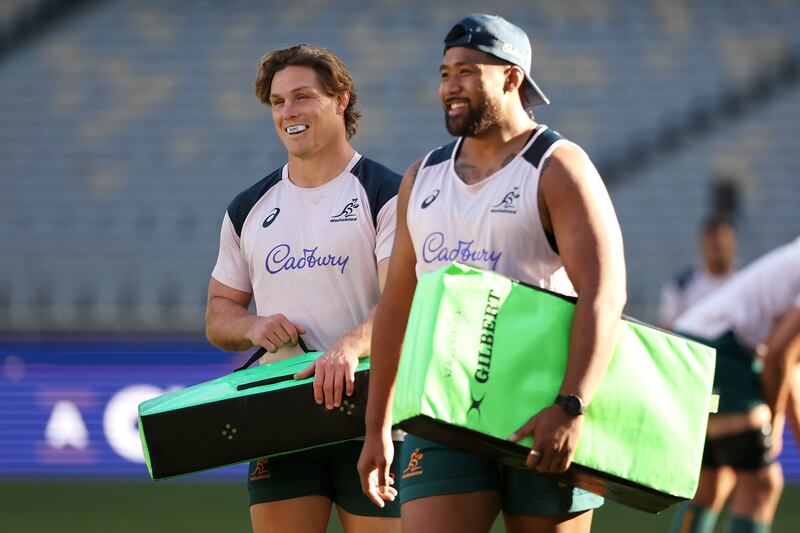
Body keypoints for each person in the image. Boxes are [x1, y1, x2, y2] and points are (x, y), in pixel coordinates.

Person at [357, 14, 627, 533]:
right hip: (443, 414)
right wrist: (377, 427)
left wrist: (572, 405)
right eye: (443, 73)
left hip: (539, 410)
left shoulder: (558, 165)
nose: (449, 86)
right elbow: (397, 303)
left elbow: (604, 293)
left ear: (511, 78)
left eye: (465, 71)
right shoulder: (422, 176)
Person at [205, 44, 402, 533]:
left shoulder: (387, 193)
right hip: (282, 415)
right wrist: (253, 325)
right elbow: (218, 313)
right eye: (277, 102)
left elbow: (403, 302)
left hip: (372, 409)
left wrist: (348, 348)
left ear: (340, 99)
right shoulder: (248, 207)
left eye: (302, 97)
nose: (288, 112)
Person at [670, 236, 800, 533]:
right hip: (721, 350)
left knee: (711, 482)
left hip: (692, 346)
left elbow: (786, 364)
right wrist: (775, 420)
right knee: (761, 485)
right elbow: (778, 358)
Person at [658, 216, 738, 330]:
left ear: (734, 242)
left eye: (723, 240)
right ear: (701, 243)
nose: (717, 245)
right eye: (711, 240)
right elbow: (668, 330)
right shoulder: (680, 287)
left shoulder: (746, 284)